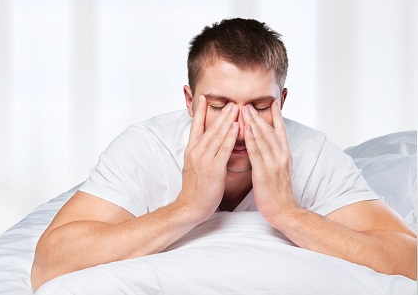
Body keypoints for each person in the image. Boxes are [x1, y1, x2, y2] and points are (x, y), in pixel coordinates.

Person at [30, 18, 417, 291]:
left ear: (282, 102)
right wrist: (187, 208)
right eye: (219, 105)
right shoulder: (146, 147)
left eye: (260, 106)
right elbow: (49, 263)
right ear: (189, 100)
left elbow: (408, 259)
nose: (239, 127)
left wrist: (287, 213)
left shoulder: (312, 154)